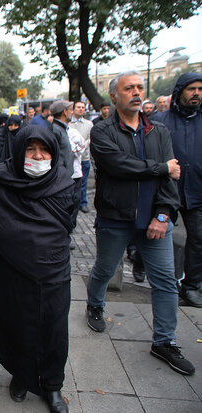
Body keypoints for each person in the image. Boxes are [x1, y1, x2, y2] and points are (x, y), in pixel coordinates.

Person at [86, 71, 195, 375]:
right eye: (128, 88)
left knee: (165, 282)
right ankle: (95, 303)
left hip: (155, 221)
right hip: (115, 218)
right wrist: (160, 168)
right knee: (105, 269)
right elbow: (119, 166)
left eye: (139, 87)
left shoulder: (158, 131)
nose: (136, 92)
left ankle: (164, 341)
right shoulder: (103, 131)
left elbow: (172, 178)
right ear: (114, 96)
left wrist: (163, 215)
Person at [0, 126, 75, 413]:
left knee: (54, 329)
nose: (38, 156)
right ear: (19, 152)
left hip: (54, 272)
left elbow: (68, 224)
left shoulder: (65, 184)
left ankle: (53, 385)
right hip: (13, 272)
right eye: (30, 150)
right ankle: (21, 375)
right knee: (18, 325)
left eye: (44, 150)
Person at [155, 72, 202, 307]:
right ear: (179, 91)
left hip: (197, 189)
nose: (196, 93)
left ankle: (191, 285)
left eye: (200, 89)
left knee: (198, 238)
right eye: (191, 89)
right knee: (159, 234)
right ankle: (165, 280)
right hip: (167, 190)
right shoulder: (161, 120)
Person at [69, 101, 94, 213]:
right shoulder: (69, 123)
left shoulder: (89, 124)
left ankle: (82, 203)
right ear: (74, 109)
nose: (81, 109)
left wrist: (82, 145)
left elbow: (90, 138)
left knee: (83, 182)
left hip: (84, 158)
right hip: (72, 159)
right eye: (78, 107)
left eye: (83, 107)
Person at [49, 100, 75, 178]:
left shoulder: (61, 128)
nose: (72, 112)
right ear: (65, 112)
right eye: (70, 109)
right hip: (61, 178)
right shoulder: (55, 130)